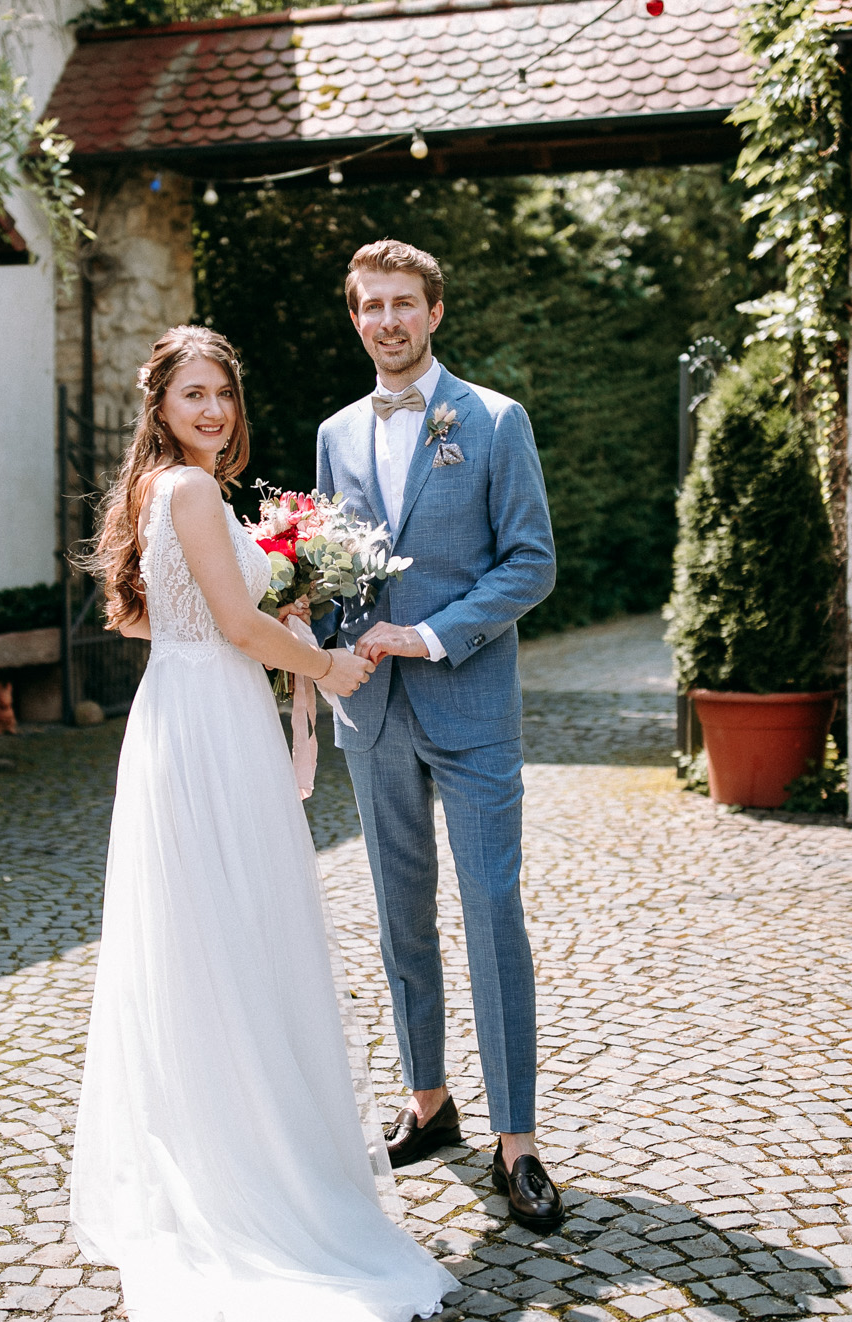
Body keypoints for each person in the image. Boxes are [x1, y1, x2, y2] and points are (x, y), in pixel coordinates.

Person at [69, 325, 457, 1322]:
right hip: (210, 724)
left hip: (183, 712)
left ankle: (219, 1152)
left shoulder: (160, 490)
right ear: (160, 404)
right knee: (238, 938)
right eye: (191, 394)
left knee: (205, 944)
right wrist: (318, 663)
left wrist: (266, 609)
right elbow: (235, 625)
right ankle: (257, 1180)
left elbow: (145, 617)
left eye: (221, 396)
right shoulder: (192, 492)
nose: (210, 410)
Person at [313, 240, 563, 1234]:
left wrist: (425, 633)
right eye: (369, 305)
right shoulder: (334, 432)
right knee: (396, 911)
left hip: (467, 705)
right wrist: (311, 630)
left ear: (434, 312)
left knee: (491, 907)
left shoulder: (495, 421)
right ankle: (427, 1100)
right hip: (368, 709)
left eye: (402, 304)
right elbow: (332, 563)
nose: (386, 319)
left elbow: (530, 562)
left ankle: (517, 1141)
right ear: (355, 317)